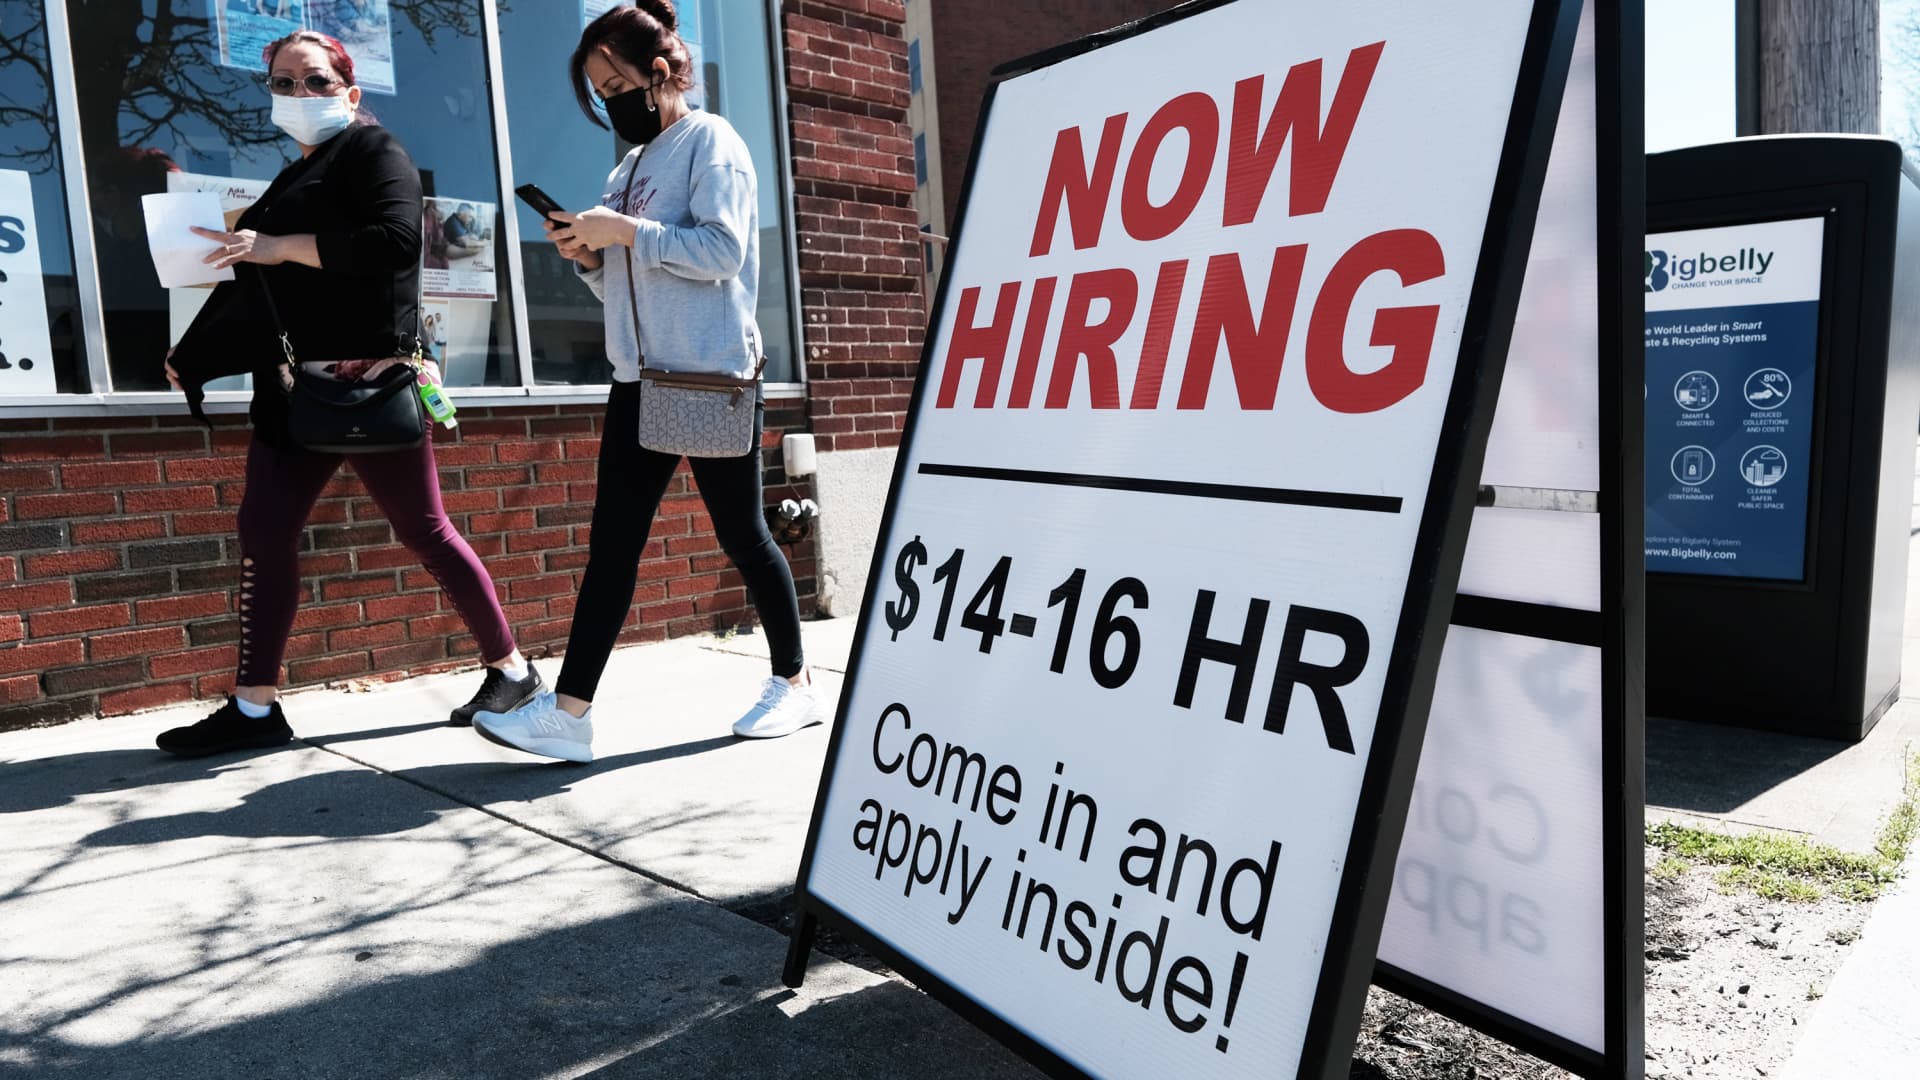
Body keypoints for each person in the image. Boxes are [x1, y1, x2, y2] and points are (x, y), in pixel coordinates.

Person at [156, 30, 545, 757]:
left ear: (350, 92)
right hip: (294, 391)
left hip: (371, 383)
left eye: (315, 82)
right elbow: (255, 291)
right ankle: (254, 709)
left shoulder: (375, 153)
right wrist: (195, 356)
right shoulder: (286, 182)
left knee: (424, 530)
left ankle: (512, 670)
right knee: (264, 532)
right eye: (282, 83)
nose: (298, 96)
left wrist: (279, 246)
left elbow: (397, 241)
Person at [472, 0, 817, 763]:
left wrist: (624, 232)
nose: (607, 101)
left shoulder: (711, 141)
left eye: (613, 83)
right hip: (640, 377)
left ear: (659, 73)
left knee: (742, 535)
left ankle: (793, 685)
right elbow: (635, 282)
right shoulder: (627, 168)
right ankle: (569, 715)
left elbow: (722, 253)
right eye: (596, 92)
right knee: (613, 547)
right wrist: (591, 257)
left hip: (707, 375)